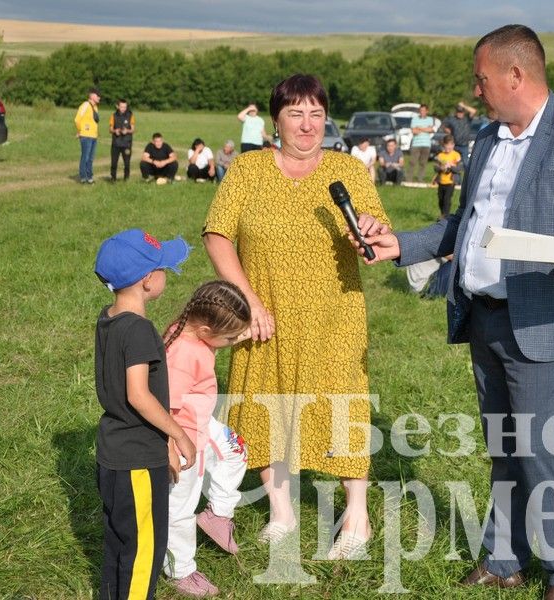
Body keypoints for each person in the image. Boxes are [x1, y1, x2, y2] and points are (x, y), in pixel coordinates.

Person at [352, 25, 554, 600]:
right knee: (504, 446)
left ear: (515, 75)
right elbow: (464, 225)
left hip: (541, 322)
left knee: (538, 450)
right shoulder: (485, 138)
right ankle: (504, 558)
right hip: (482, 316)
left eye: (481, 79)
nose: (476, 91)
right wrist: (400, 244)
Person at [202, 74, 390, 560]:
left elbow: (377, 230)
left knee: (340, 404)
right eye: (295, 114)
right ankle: (282, 512)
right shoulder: (247, 170)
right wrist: (248, 303)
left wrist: (368, 231)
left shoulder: (348, 171)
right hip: (263, 315)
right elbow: (217, 235)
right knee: (266, 403)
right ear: (276, 119)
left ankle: (357, 517)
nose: (307, 125)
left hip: (335, 315)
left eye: (316, 114)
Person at [92, 228, 196, 600]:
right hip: (136, 460)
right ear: (149, 281)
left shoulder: (109, 320)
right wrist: (179, 433)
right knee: (143, 550)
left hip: (115, 454)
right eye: (164, 267)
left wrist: (163, 440)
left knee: (120, 544)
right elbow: (139, 395)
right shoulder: (139, 331)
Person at [162, 280, 252, 597]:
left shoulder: (189, 330)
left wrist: (246, 330)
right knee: (179, 510)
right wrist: (172, 446)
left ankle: (217, 515)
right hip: (185, 438)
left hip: (202, 423)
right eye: (230, 337)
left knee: (235, 450)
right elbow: (165, 408)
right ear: (205, 331)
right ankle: (181, 571)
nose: (233, 341)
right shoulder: (182, 355)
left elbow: (221, 335)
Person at [74, 87, 101, 184]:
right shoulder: (85, 105)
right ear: (92, 96)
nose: (99, 97)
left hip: (93, 136)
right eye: (98, 95)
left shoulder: (95, 107)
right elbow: (77, 119)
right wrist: (80, 131)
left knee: (91, 158)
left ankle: (90, 177)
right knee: (85, 157)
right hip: (85, 136)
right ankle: (83, 178)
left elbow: (95, 122)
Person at [433, 134, 462, 217]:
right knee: (440, 199)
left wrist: (451, 166)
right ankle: (442, 213)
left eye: (450, 147)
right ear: (443, 145)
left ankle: (445, 216)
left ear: (453, 145)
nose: (448, 149)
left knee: (447, 199)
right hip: (441, 181)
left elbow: (459, 169)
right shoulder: (440, 155)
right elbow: (435, 168)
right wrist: (441, 168)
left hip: (451, 182)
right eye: (446, 147)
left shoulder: (456, 155)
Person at [441, 101, 478, 165]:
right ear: (456, 112)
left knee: (466, 164)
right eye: (458, 112)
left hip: (464, 146)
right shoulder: (452, 119)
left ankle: (466, 175)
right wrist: (446, 129)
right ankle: (454, 175)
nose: (460, 113)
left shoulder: (467, 119)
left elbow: (474, 111)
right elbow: (443, 125)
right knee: (452, 163)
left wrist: (463, 106)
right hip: (454, 145)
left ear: (463, 112)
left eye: (461, 112)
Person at [109, 99, 135, 182]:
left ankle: (126, 179)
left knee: (127, 163)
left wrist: (127, 131)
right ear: (117, 106)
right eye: (122, 107)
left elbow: (133, 130)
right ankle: (113, 179)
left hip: (127, 143)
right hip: (116, 143)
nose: (123, 108)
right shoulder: (113, 116)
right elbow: (110, 129)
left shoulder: (131, 115)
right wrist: (115, 131)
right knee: (114, 163)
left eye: (125, 107)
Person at [408, 103, 435, 182]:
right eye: (420, 110)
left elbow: (431, 130)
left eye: (423, 110)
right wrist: (425, 129)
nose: (422, 112)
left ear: (427, 111)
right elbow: (414, 131)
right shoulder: (414, 119)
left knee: (423, 163)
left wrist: (419, 128)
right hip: (416, 144)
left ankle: (420, 178)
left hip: (426, 144)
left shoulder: (430, 119)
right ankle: (409, 178)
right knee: (412, 162)